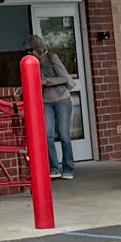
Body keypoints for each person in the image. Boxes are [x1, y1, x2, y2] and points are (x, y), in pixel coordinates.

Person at [36, 37, 80, 179]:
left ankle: (68, 168)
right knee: (48, 136)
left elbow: (64, 77)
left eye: (35, 50)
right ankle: (54, 168)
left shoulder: (52, 58)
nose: (33, 53)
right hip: (46, 101)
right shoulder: (33, 63)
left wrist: (47, 81)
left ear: (41, 49)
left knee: (64, 136)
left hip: (62, 99)